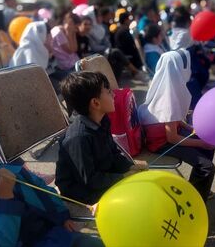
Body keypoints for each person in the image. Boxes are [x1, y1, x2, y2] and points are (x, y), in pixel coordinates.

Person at [0, 119, 104, 247]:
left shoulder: (12, 172)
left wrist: (62, 216)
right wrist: (5, 198)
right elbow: (0, 243)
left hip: (54, 237)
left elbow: (43, 191)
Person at [56, 72, 148, 205]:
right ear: (96, 103)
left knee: (143, 181)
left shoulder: (103, 120)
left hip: (102, 173)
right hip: (82, 189)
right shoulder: (78, 137)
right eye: (109, 92)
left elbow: (114, 154)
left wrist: (130, 167)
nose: (114, 94)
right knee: (135, 199)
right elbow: (90, 180)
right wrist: (122, 177)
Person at [138, 50, 215, 202]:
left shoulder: (164, 85)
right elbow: (172, 138)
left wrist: (190, 128)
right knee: (207, 167)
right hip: (161, 143)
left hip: (166, 136)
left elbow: (173, 118)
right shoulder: (169, 95)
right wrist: (201, 143)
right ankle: (193, 201)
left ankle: (197, 185)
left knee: (207, 140)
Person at [113, 12, 149, 82]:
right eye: (129, 19)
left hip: (128, 54)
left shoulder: (123, 30)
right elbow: (131, 44)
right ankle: (137, 72)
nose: (130, 21)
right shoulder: (122, 32)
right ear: (126, 20)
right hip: (127, 56)